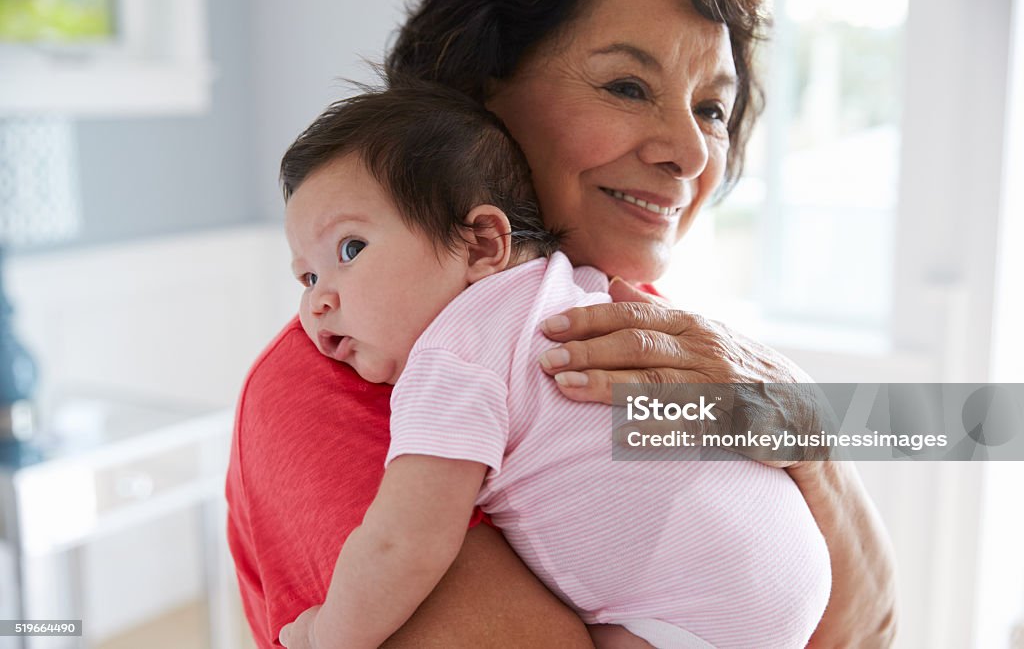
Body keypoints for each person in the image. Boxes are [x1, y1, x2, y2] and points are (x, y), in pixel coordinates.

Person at [226, 0, 898, 646]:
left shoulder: (625, 318)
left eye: (712, 110)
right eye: (629, 87)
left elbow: (869, 632)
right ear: (479, 92)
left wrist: (806, 425)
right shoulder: (336, 383)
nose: (692, 153)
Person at [273, 84, 830, 649]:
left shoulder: (450, 359)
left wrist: (328, 632)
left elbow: (403, 543)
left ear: (481, 244)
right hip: (794, 560)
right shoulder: (574, 286)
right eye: (307, 276)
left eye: (349, 250)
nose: (317, 301)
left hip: (687, 608)